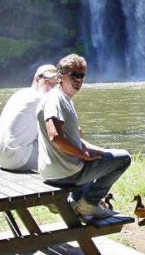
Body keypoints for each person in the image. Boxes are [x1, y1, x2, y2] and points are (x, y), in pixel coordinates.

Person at [37, 54, 131, 219]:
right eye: (74, 75)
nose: (78, 79)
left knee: (100, 157)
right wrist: (82, 154)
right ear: (60, 76)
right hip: (64, 173)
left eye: (82, 75)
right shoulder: (55, 99)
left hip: (56, 171)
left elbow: (73, 141)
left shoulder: (63, 99)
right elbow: (55, 137)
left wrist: (100, 151)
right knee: (124, 158)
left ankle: (75, 202)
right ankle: (89, 204)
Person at [0, 64, 57, 171]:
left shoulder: (19, 93)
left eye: (54, 84)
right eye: (48, 82)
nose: (51, 88)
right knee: (60, 147)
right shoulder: (41, 99)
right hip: (18, 160)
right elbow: (53, 136)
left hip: (1, 158)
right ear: (36, 79)